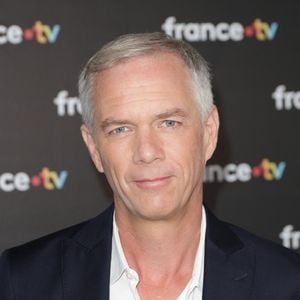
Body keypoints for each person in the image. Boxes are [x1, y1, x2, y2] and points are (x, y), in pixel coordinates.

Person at [1, 32, 300, 300]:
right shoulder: (23, 282)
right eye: (120, 129)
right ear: (93, 147)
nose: (146, 152)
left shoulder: (287, 283)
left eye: (169, 123)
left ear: (209, 133)